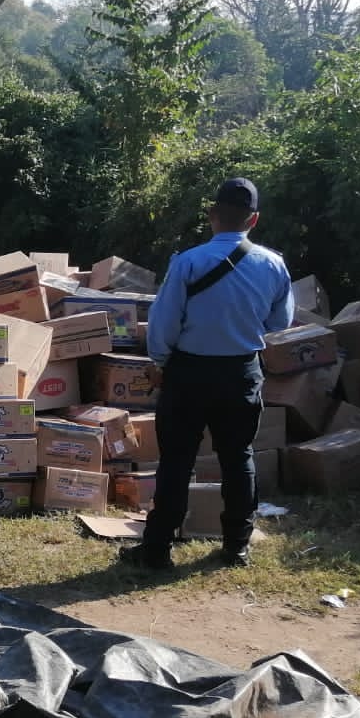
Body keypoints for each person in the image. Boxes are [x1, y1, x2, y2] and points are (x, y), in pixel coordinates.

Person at [119, 177, 293, 571]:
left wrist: (160, 362)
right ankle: (236, 547)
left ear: (212, 214)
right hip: (241, 371)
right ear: (254, 220)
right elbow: (279, 322)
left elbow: (164, 323)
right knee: (238, 458)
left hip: (188, 372)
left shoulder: (188, 262)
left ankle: (157, 549)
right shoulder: (273, 264)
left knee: (176, 461)